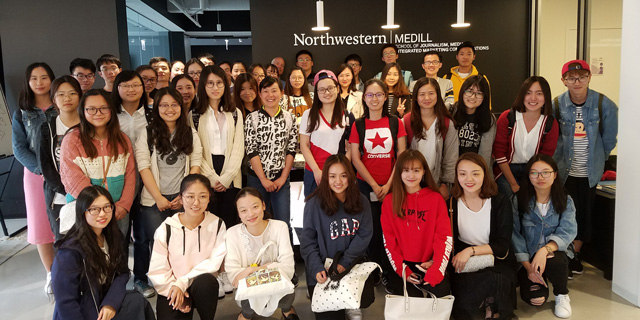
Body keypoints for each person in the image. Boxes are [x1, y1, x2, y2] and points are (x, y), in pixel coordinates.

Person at [552, 59, 618, 274]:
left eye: (581, 77)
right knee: (564, 214)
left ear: (589, 77)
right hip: (564, 172)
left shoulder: (603, 104)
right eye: (571, 78)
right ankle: (566, 255)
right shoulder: (557, 105)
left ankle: (575, 255)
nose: (577, 81)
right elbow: (553, 138)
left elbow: (608, 140)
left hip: (590, 173)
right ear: (563, 81)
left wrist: (599, 159)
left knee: (584, 216)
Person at [51, 185, 155, 320]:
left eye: (107, 207)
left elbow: (122, 272)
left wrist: (111, 303)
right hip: (81, 310)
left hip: (103, 300)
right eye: (94, 209)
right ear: (83, 212)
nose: (102, 213)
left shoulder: (112, 236)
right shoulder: (69, 252)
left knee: (138, 302)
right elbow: (66, 303)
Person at [349, 78, 406, 288]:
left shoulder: (395, 123)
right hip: (365, 185)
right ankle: (373, 270)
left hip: (392, 185)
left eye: (379, 95)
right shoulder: (359, 124)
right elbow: (355, 158)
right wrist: (374, 185)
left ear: (385, 97)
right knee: (370, 231)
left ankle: (391, 272)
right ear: (364, 98)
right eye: (370, 95)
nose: (374, 99)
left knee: (391, 231)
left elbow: (401, 154)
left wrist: (389, 183)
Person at [300, 154, 373, 320]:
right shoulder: (313, 204)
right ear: (326, 177)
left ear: (350, 176)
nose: (338, 181)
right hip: (323, 274)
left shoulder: (361, 201)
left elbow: (364, 234)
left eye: (343, 175)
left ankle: (350, 307)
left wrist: (344, 263)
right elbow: (307, 242)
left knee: (360, 304)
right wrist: (316, 267)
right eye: (332, 176)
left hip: (351, 268)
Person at [60, 89, 136, 241]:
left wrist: (124, 205)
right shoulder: (72, 140)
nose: (98, 113)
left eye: (103, 108)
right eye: (91, 109)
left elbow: (131, 173)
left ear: (111, 110)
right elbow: (72, 179)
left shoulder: (122, 139)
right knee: (90, 256)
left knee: (118, 253)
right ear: (83, 111)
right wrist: (99, 209)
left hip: (117, 210)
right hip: (87, 211)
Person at [148, 174, 226, 320]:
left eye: (202, 196)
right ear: (181, 198)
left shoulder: (218, 224)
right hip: (172, 286)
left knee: (207, 283)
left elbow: (214, 262)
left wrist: (183, 283)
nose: (196, 202)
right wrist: (175, 289)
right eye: (190, 196)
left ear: (209, 197)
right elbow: (158, 269)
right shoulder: (166, 228)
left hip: (199, 284)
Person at [449, 153, 517, 320]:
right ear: (456, 176)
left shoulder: (499, 201)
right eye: (462, 173)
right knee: (464, 306)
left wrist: (471, 251)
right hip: (465, 264)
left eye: (475, 173)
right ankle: (489, 304)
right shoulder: (451, 204)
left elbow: (502, 245)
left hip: (496, 259)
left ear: (485, 174)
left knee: (497, 278)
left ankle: (494, 308)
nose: (468, 179)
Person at [512, 154, 577, 318]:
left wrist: (544, 250)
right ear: (528, 176)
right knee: (536, 299)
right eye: (534, 173)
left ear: (555, 174)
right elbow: (514, 235)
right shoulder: (518, 200)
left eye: (545, 172)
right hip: (527, 257)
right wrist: (529, 268)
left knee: (556, 260)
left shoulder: (565, 200)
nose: (540, 177)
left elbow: (568, 230)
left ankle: (561, 294)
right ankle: (541, 278)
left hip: (554, 252)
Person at [11, 62, 57, 295]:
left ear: (52, 80)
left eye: (44, 78)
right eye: (34, 79)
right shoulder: (22, 112)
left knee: (65, 223)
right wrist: (42, 169)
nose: (39, 83)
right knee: (42, 226)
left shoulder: (62, 105)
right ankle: (51, 273)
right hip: (36, 176)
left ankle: (68, 271)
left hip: (63, 174)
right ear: (28, 82)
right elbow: (19, 148)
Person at [381, 150, 451, 297]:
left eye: (416, 170)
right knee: (410, 301)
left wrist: (436, 268)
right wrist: (403, 270)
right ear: (399, 173)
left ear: (424, 172)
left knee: (440, 291)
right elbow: (389, 240)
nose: (411, 176)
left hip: (428, 263)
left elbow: (444, 238)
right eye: (406, 170)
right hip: (402, 264)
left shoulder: (436, 199)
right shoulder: (389, 201)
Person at [225, 188, 299, 320]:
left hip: (277, 287)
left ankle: (287, 309)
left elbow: (288, 269)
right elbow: (233, 278)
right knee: (249, 301)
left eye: (255, 207)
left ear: (263, 205)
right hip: (250, 291)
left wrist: (249, 271)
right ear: (239, 214)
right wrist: (270, 267)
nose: (251, 214)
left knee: (287, 289)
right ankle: (246, 314)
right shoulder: (232, 233)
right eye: (244, 210)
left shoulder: (279, 227)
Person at [190, 65, 244, 232]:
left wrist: (227, 177)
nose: (215, 88)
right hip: (206, 170)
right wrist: (211, 178)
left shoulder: (234, 112)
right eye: (210, 83)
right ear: (203, 86)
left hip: (231, 173)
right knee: (208, 225)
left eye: (219, 83)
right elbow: (195, 150)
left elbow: (238, 146)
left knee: (230, 224)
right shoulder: (194, 115)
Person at [245, 77, 297, 237]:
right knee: (256, 221)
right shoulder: (251, 118)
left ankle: (286, 260)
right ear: (259, 94)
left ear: (281, 93)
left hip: (281, 179)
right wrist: (263, 179)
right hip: (257, 179)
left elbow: (291, 149)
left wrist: (283, 177)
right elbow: (251, 151)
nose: (270, 95)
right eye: (265, 91)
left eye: (274, 90)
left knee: (283, 223)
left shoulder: (290, 118)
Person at [493, 76, 559, 198]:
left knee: (530, 203)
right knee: (510, 200)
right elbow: (499, 153)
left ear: (546, 97)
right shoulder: (508, 117)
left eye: (539, 93)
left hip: (534, 171)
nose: (533, 98)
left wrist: (532, 180)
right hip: (506, 169)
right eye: (528, 93)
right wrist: (513, 184)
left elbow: (545, 157)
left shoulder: (550, 124)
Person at [40, 76, 82, 243]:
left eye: (72, 93)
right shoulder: (47, 128)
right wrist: (67, 191)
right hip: (59, 197)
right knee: (65, 245)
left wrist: (84, 192)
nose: (67, 98)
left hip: (89, 195)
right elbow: (45, 165)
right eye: (61, 94)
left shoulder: (90, 125)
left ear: (80, 96)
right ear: (53, 99)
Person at [403, 77, 458, 199]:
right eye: (422, 94)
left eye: (431, 93)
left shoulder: (447, 123)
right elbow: (401, 154)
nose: (427, 98)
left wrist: (446, 184)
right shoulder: (406, 121)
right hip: (411, 181)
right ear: (415, 98)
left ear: (438, 95)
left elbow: (451, 157)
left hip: (437, 183)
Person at [300, 70, 351, 197]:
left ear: (338, 89)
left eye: (330, 88)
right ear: (316, 93)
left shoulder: (347, 115)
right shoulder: (309, 114)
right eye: (321, 89)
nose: (326, 93)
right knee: (314, 211)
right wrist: (317, 171)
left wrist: (342, 171)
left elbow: (351, 148)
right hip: (314, 172)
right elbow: (304, 145)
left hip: (338, 174)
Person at [451, 75, 496, 169]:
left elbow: (485, 153)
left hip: (476, 168)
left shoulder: (489, 118)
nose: (473, 97)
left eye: (479, 93)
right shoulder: (451, 111)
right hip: (453, 168)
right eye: (469, 91)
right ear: (462, 92)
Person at [443, 41, 491, 107]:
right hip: (451, 116)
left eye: (469, 54)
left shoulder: (481, 78)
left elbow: (487, 104)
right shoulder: (447, 78)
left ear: (474, 57)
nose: (465, 57)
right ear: (457, 57)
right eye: (462, 54)